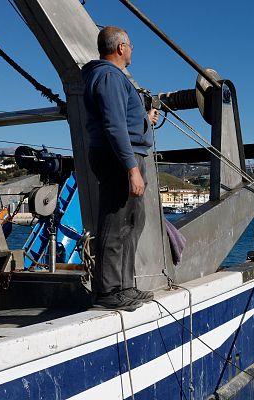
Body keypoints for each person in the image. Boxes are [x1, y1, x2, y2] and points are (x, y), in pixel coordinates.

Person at [82, 26, 159, 311]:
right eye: (131, 45)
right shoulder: (108, 76)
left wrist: (144, 118)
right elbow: (113, 126)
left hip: (125, 155)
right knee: (115, 223)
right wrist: (131, 168)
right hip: (118, 159)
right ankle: (108, 291)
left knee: (132, 224)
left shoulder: (109, 77)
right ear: (121, 48)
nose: (133, 50)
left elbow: (122, 119)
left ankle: (125, 286)